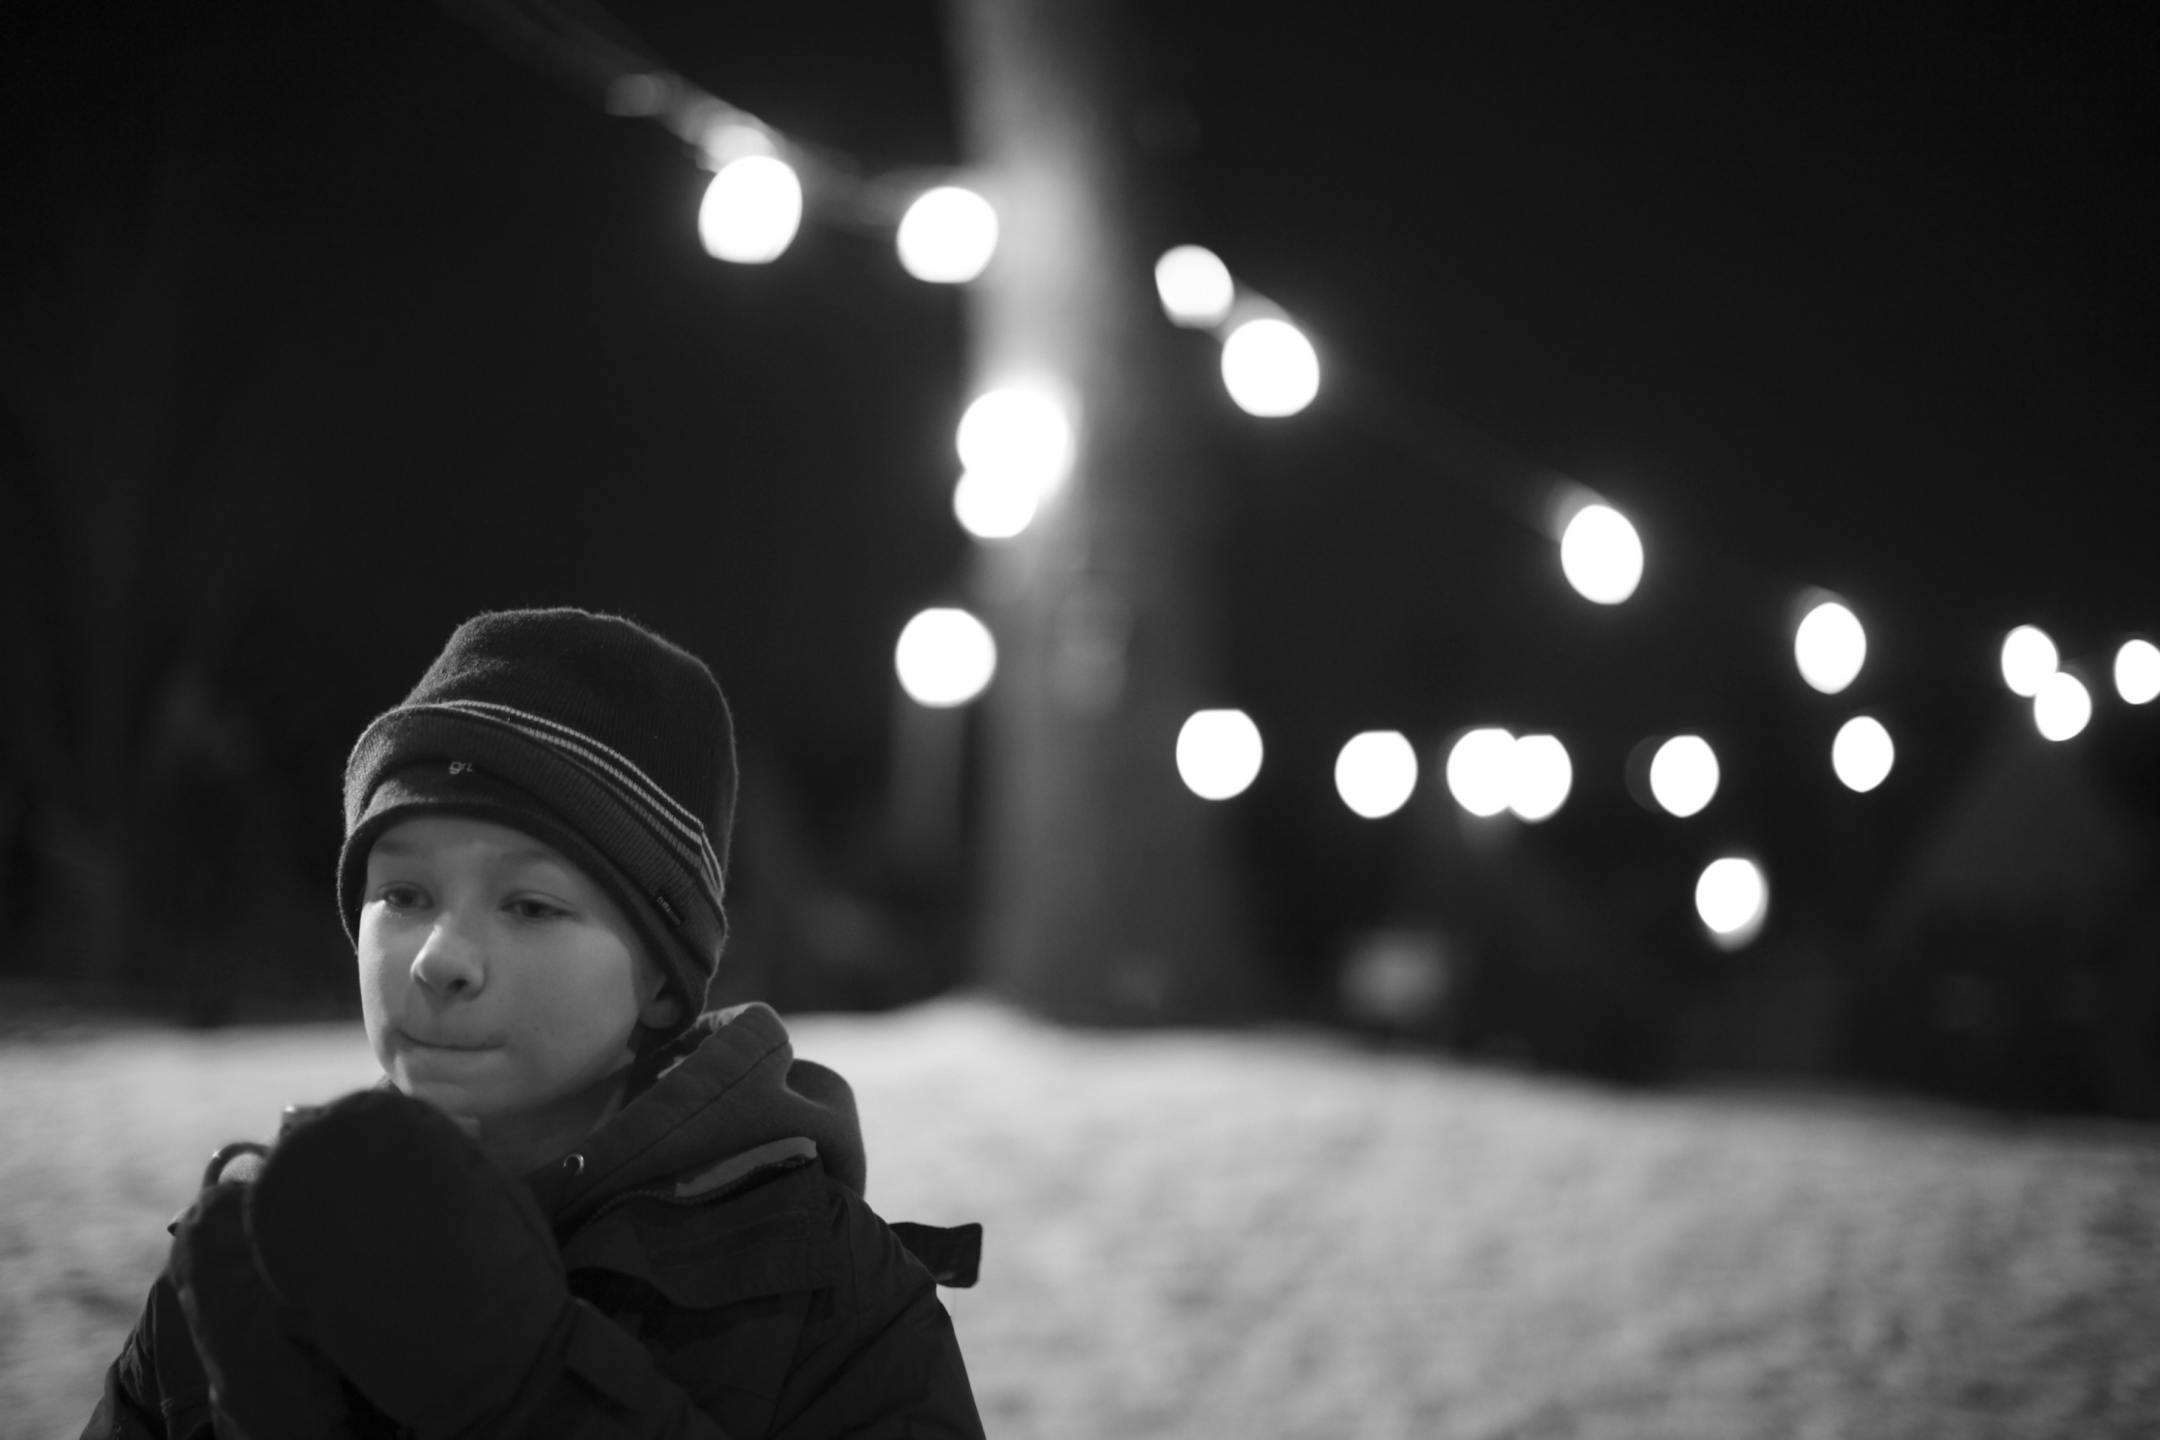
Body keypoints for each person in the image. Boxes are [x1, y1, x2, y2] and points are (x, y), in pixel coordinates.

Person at [83, 607, 985, 1438]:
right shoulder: (250, 1266)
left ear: (664, 986)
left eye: (529, 906)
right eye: (402, 893)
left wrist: (539, 1397)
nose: (440, 958)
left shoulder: (831, 1295)